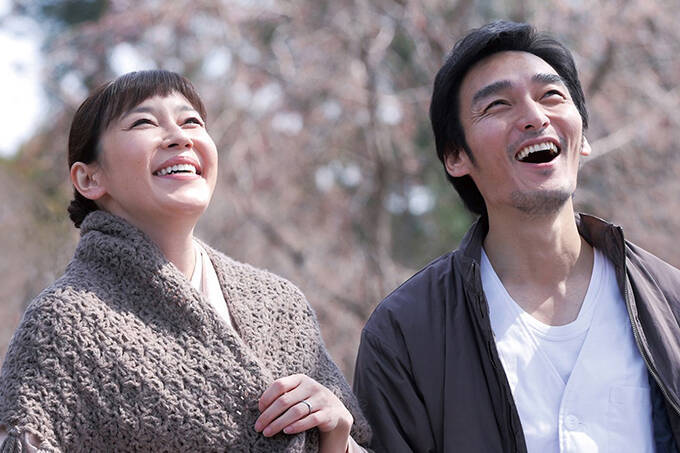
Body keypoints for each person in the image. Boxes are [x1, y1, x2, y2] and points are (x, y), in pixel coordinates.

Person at [0, 70, 371, 452]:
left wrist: (337, 436)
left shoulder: (280, 306)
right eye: (144, 122)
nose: (180, 137)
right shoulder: (62, 324)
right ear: (89, 179)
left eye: (191, 121)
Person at [353, 20, 680, 452]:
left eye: (551, 96)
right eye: (498, 105)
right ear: (455, 156)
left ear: (583, 136)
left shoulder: (670, 305)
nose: (535, 117)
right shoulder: (405, 334)